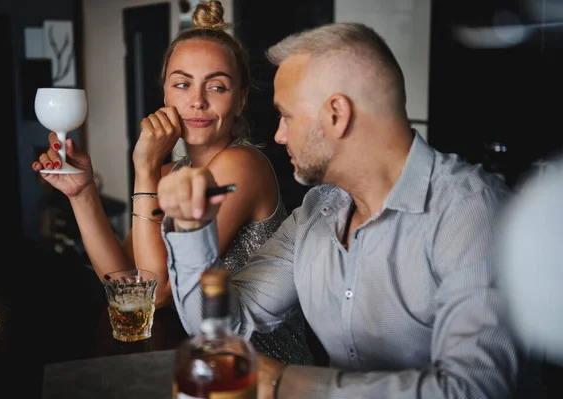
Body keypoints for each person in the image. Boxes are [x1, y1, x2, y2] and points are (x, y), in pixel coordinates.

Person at [155, 22, 522, 398]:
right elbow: (219, 327)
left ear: (336, 115)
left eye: (287, 116)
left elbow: (477, 388)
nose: (279, 136)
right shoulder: (317, 211)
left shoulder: (472, 211)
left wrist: (287, 383)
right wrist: (190, 230)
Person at [31, 0, 313, 366]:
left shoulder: (243, 165)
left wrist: (145, 168)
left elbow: (159, 293)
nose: (196, 101)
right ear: (165, 94)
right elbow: (128, 284)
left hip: (258, 369)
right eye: (182, 84)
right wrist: (83, 193)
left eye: (217, 87)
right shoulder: (168, 175)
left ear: (241, 100)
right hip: (195, 358)